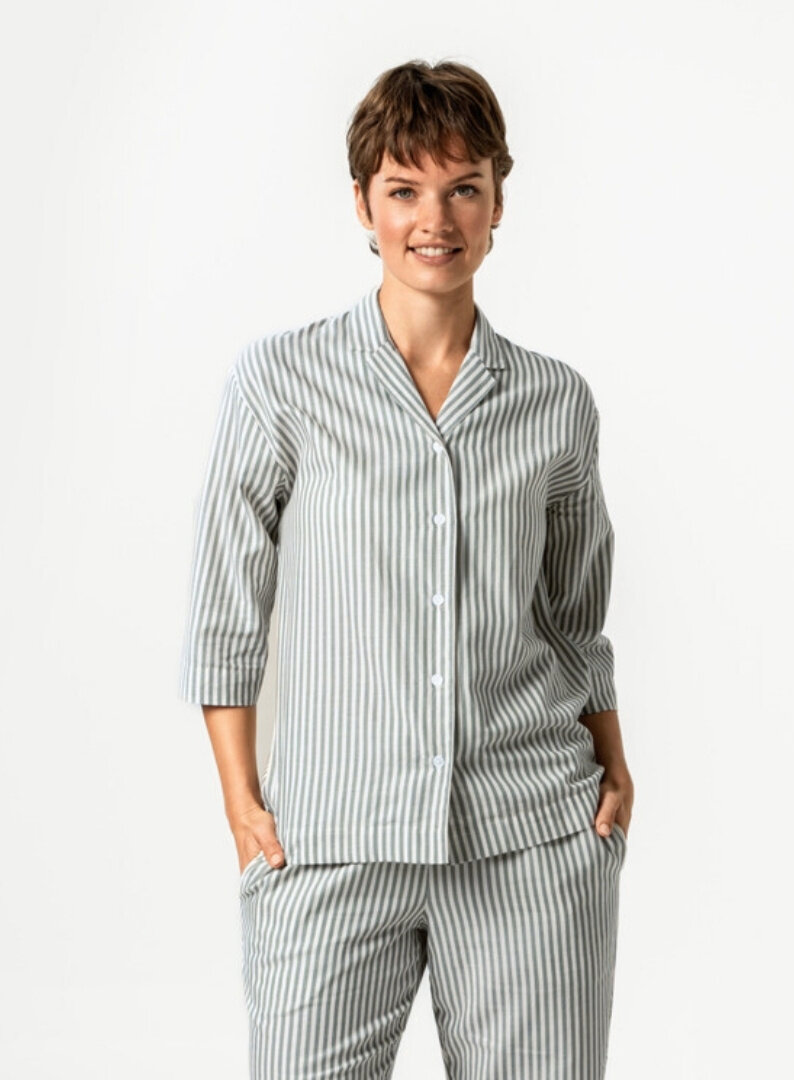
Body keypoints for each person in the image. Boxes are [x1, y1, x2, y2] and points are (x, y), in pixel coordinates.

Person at [179, 58, 635, 1080]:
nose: (435, 219)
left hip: (528, 832)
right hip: (332, 835)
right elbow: (226, 613)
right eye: (404, 190)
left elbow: (574, 617)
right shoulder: (281, 384)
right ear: (363, 205)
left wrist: (615, 771)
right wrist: (242, 805)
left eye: (463, 187)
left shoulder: (555, 402)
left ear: (498, 203)